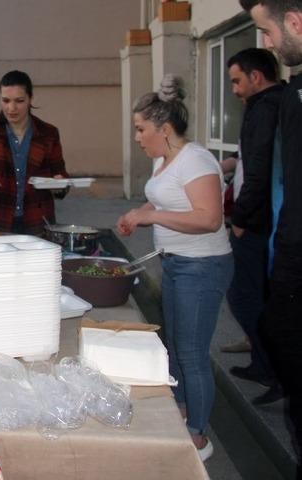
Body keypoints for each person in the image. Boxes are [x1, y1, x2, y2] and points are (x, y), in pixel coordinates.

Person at [116, 75, 233, 462]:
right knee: (177, 348)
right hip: (177, 264)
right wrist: (139, 214)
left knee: (193, 353)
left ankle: (199, 438)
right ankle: (182, 414)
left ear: (164, 129)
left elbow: (209, 218)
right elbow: (166, 205)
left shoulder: (196, 159)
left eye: (140, 129)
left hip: (201, 268)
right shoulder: (164, 159)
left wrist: (153, 217)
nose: (137, 136)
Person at [241, 1, 302, 473]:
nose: (266, 42)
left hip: (290, 253)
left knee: (273, 322)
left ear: (295, 23)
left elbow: (265, 172)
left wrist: (242, 216)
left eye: (265, 30)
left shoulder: (278, 103)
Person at [223, 48, 284, 406]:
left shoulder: (267, 108)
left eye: (236, 80)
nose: (233, 88)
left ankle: (274, 369)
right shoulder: (268, 107)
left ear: (255, 77)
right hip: (262, 220)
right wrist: (226, 164)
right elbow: (249, 158)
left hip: (258, 223)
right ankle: (262, 363)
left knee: (246, 297)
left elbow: (260, 172)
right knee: (254, 296)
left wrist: (242, 220)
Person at [0, 70, 69, 235]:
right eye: (5, 100)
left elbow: (61, 177)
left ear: (30, 99)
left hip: (38, 223)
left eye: (19, 101)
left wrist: (58, 184)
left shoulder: (48, 133)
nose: (11, 108)